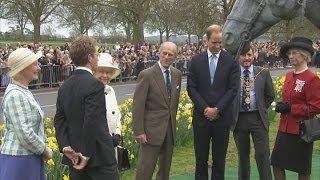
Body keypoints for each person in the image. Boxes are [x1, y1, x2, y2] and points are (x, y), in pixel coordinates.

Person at [54, 36, 118, 180]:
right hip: (98, 157)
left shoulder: (65, 86)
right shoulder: (95, 85)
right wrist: (85, 154)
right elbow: (92, 121)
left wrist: (65, 147)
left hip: (74, 157)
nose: (97, 58)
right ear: (89, 57)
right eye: (96, 55)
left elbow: (59, 120)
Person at [187, 24, 240, 180]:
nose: (217, 46)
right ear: (206, 40)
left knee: (219, 161)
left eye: (220, 42)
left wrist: (217, 109)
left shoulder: (231, 61)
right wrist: (205, 109)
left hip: (221, 119)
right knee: (200, 160)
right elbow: (191, 88)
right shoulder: (196, 61)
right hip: (201, 119)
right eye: (214, 42)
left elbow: (232, 89)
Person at [271, 37, 320, 180]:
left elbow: (316, 107)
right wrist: (281, 106)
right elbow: (289, 100)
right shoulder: (288, 76)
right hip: (284, 128)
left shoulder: (311, 78)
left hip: (302, 130)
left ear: (304, 55)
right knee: (276, 163)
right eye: (289, 54)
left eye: (294, 53)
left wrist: (291, 108)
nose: (290, 56)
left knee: (302, 170)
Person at [0, 48, 52, 180]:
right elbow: (25, 134)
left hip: (27, 157)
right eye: (35, 64)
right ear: (23, 68)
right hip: (19, 160)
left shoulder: (22, 91)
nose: (38, 67)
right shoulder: (15, 95)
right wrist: (44, 150)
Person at [133, 41, 182, 180]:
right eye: (164, 53)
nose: (167, 57)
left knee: (164, 171)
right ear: (159, 54)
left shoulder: (177, 74)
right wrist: (139, 131)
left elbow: (174, 103)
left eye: (170, 54)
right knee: (145, 170)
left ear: (175, 57)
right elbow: (138, 105)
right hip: (150, 131)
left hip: (169, 130)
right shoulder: (147, 74)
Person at [231, 47, 275, 180]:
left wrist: (260, 107)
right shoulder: (231, 74)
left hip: (258, 118)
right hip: (239, 119)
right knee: (243, 156)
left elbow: (270, 95)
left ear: (253, 56)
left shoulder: (263, 72)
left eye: (249, 54)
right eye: (243, 55)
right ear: (239, 57)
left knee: (262, 154)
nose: (246, 58)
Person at [94, 53, 122, 158]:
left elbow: (117, 114)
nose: (105, 76)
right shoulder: (89, 92)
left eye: (108, 72)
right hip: (97, 146)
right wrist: (107, 138)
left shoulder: (111, 90)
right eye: (101, 72)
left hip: (112, 145)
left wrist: (118, 133)